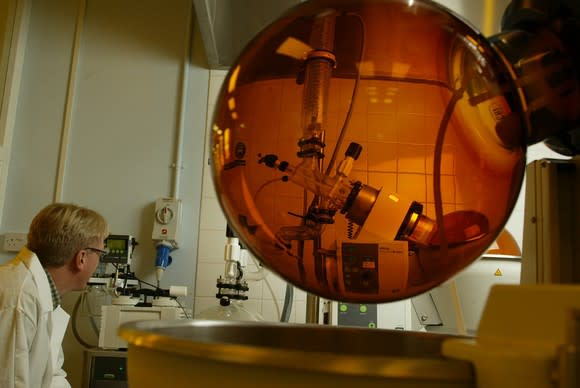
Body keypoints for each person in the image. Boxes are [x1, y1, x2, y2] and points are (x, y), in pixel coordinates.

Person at [0, 203, 109, 388]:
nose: (99, 262)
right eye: (101, 254)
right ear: (82, 258)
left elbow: (51, 376)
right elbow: (9, 382)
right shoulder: (19, 298)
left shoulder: (44, 297)